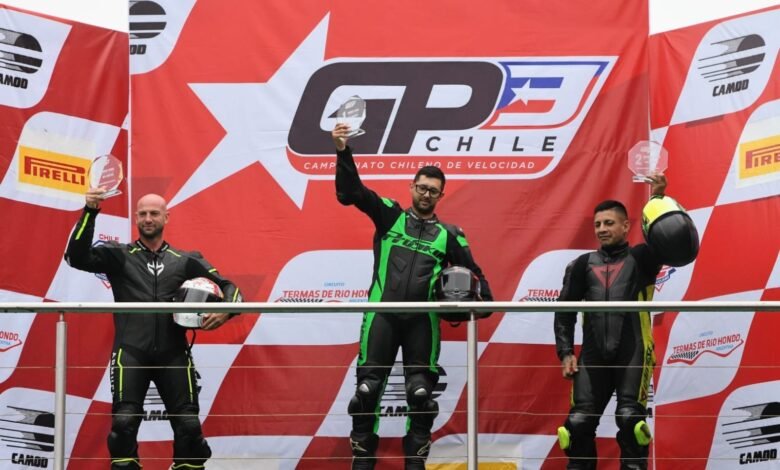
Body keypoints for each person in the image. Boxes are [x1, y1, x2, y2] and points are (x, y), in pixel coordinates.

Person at [332, 123, 493, 470]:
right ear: (412, 187)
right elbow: (350, 192)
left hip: (424, 322)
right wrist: (343, 151)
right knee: (366, 394)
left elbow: (479, 281)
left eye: (433, 191)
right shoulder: (389, 215)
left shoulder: (450, 235)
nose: (426, 195)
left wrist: (471, 307)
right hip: (381, 316)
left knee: (421, 397)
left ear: (441, 196)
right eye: (422, 188)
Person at [65, 189, 242, 470]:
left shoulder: (186, 259)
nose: (148, 219)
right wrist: (90, 210)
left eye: (154, 213)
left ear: (166, 217)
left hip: (174, 354)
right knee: (123, 424)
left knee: (189, 426)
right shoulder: (119, 255)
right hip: (130, 352)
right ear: (136, 217)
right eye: (143, 214)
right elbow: (75, 257)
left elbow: (231, 288)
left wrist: (227, 311)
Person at [553, 175, 697, 469]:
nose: (602, 229)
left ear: (625, 226)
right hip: (593, 356)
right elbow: (564, 311)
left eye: (609, 223)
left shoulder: (643, 258)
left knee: (631, 421)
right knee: (577, 425)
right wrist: (565, 352)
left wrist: (657, 197)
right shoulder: (580, 265)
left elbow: (671, 237)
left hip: (634, 353)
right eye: (597, 224)